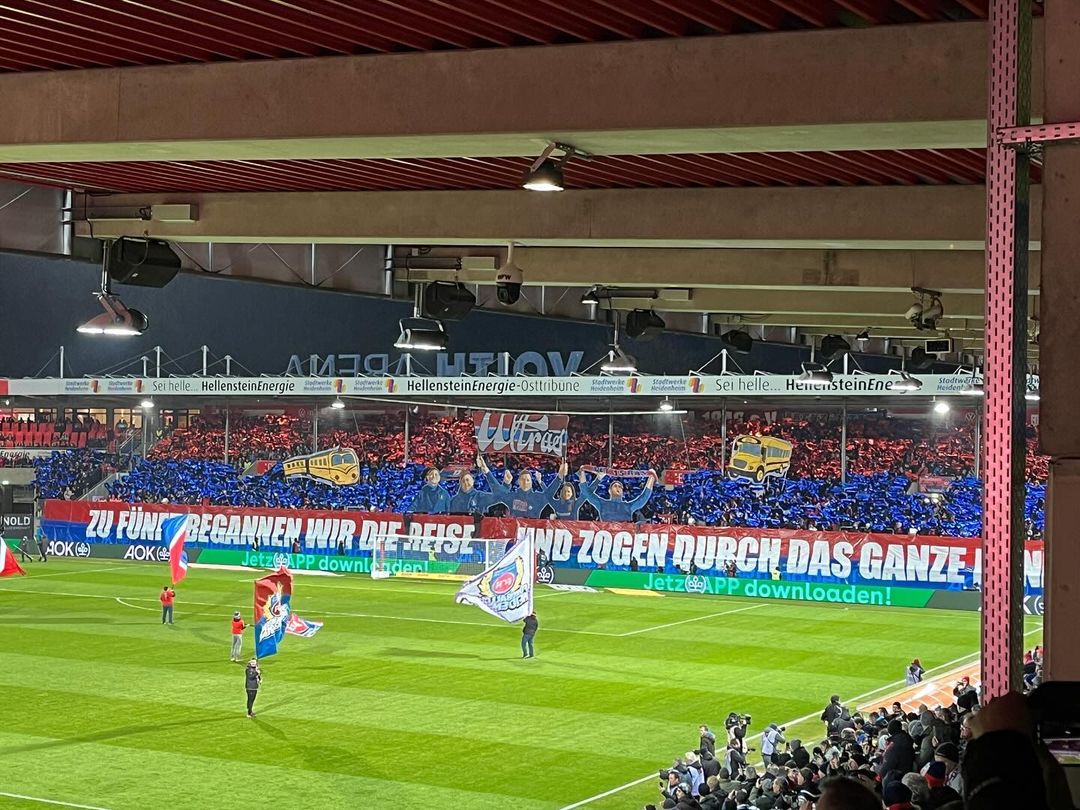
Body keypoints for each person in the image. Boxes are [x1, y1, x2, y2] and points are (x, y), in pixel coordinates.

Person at [582, 469, 658, 521]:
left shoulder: (628, 506)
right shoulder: (602, 504)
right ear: (609, 491)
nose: (618, 488)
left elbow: (644, 498)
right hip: (607, 539)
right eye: (615, 486)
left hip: (623, 539)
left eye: (620, 487)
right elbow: (587, 493)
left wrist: (651, 478)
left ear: (622, 492)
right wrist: (583, 473)